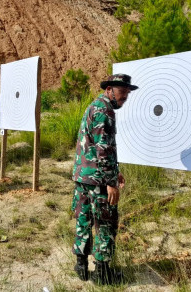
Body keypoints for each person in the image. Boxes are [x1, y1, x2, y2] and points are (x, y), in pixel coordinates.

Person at [71, 74, 138, 285]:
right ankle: (102, 274)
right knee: (105, 223)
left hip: (83, 176)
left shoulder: (94, 106)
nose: (125, 97)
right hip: (98, 180)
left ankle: (81, 265)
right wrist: (111, 182)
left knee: (83, 218)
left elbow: (93, 146)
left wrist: (114, 171)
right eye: (122, 92)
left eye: (127, 94)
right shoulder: (105, 110)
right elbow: (103, 148)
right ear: (109, 89)